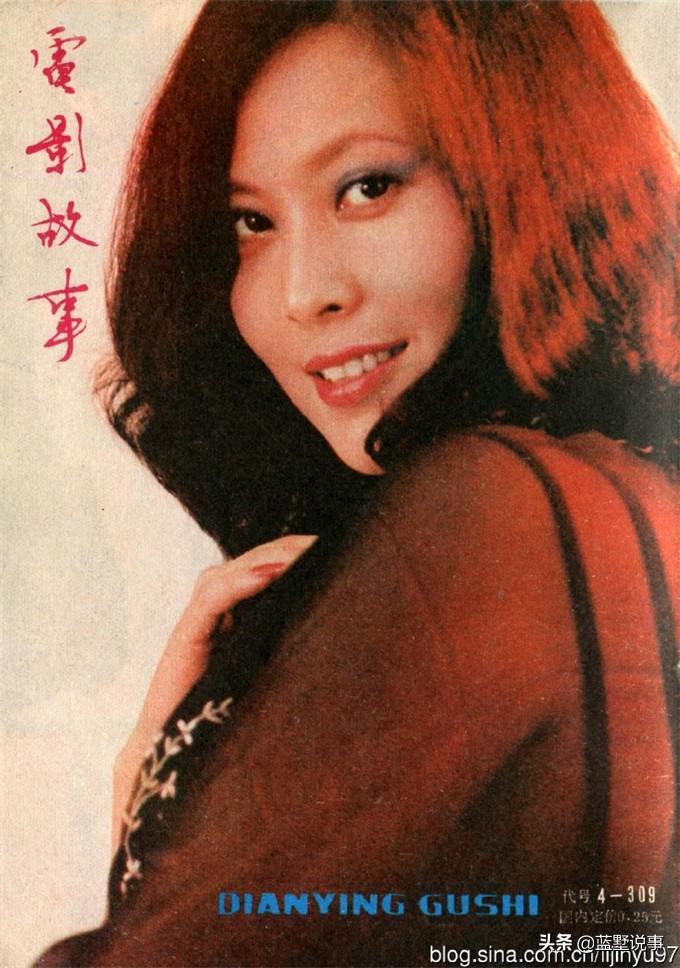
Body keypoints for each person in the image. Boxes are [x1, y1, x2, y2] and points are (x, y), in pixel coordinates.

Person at [38, 1, 678, 965]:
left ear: (525, 169)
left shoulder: (486, 512)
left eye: (367, 188)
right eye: (252, 223)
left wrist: (152, 806)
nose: (306, 294)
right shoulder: (622, 492)